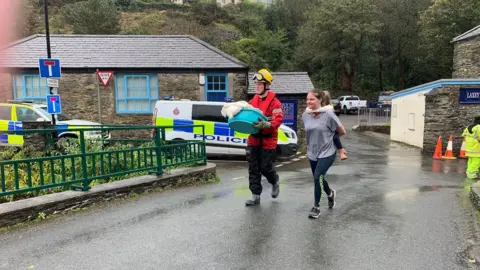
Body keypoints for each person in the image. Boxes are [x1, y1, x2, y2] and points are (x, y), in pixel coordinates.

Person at [303, 89, 346, 219]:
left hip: (327, 151)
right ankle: (330, 193)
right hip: (312, 152)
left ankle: (316, 207)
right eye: (307, 99)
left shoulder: (328, 114)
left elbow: (342, 131)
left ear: (320, 100)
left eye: (312, 99)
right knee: (319, 178)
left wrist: (336, 144)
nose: (308, 102)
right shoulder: (305, 115)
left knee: (317, 177)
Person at [245, 68, 284, 206]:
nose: (257, 86)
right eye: (256, 84)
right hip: (253, 139)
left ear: (267, 85)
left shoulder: (275, 103)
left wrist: (268, 124)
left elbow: (278, 120)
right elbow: (245, 116)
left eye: (260, 84)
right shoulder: (252, 101)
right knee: (253, 168)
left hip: (268, 141)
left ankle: (274, 181)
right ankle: (255, 195)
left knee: (265, 167)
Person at [320, 91, 348, 160]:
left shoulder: (328, 110)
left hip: (333, 128)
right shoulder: (321, 109)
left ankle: (341, 151)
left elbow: (339, 127)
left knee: (334, 137)